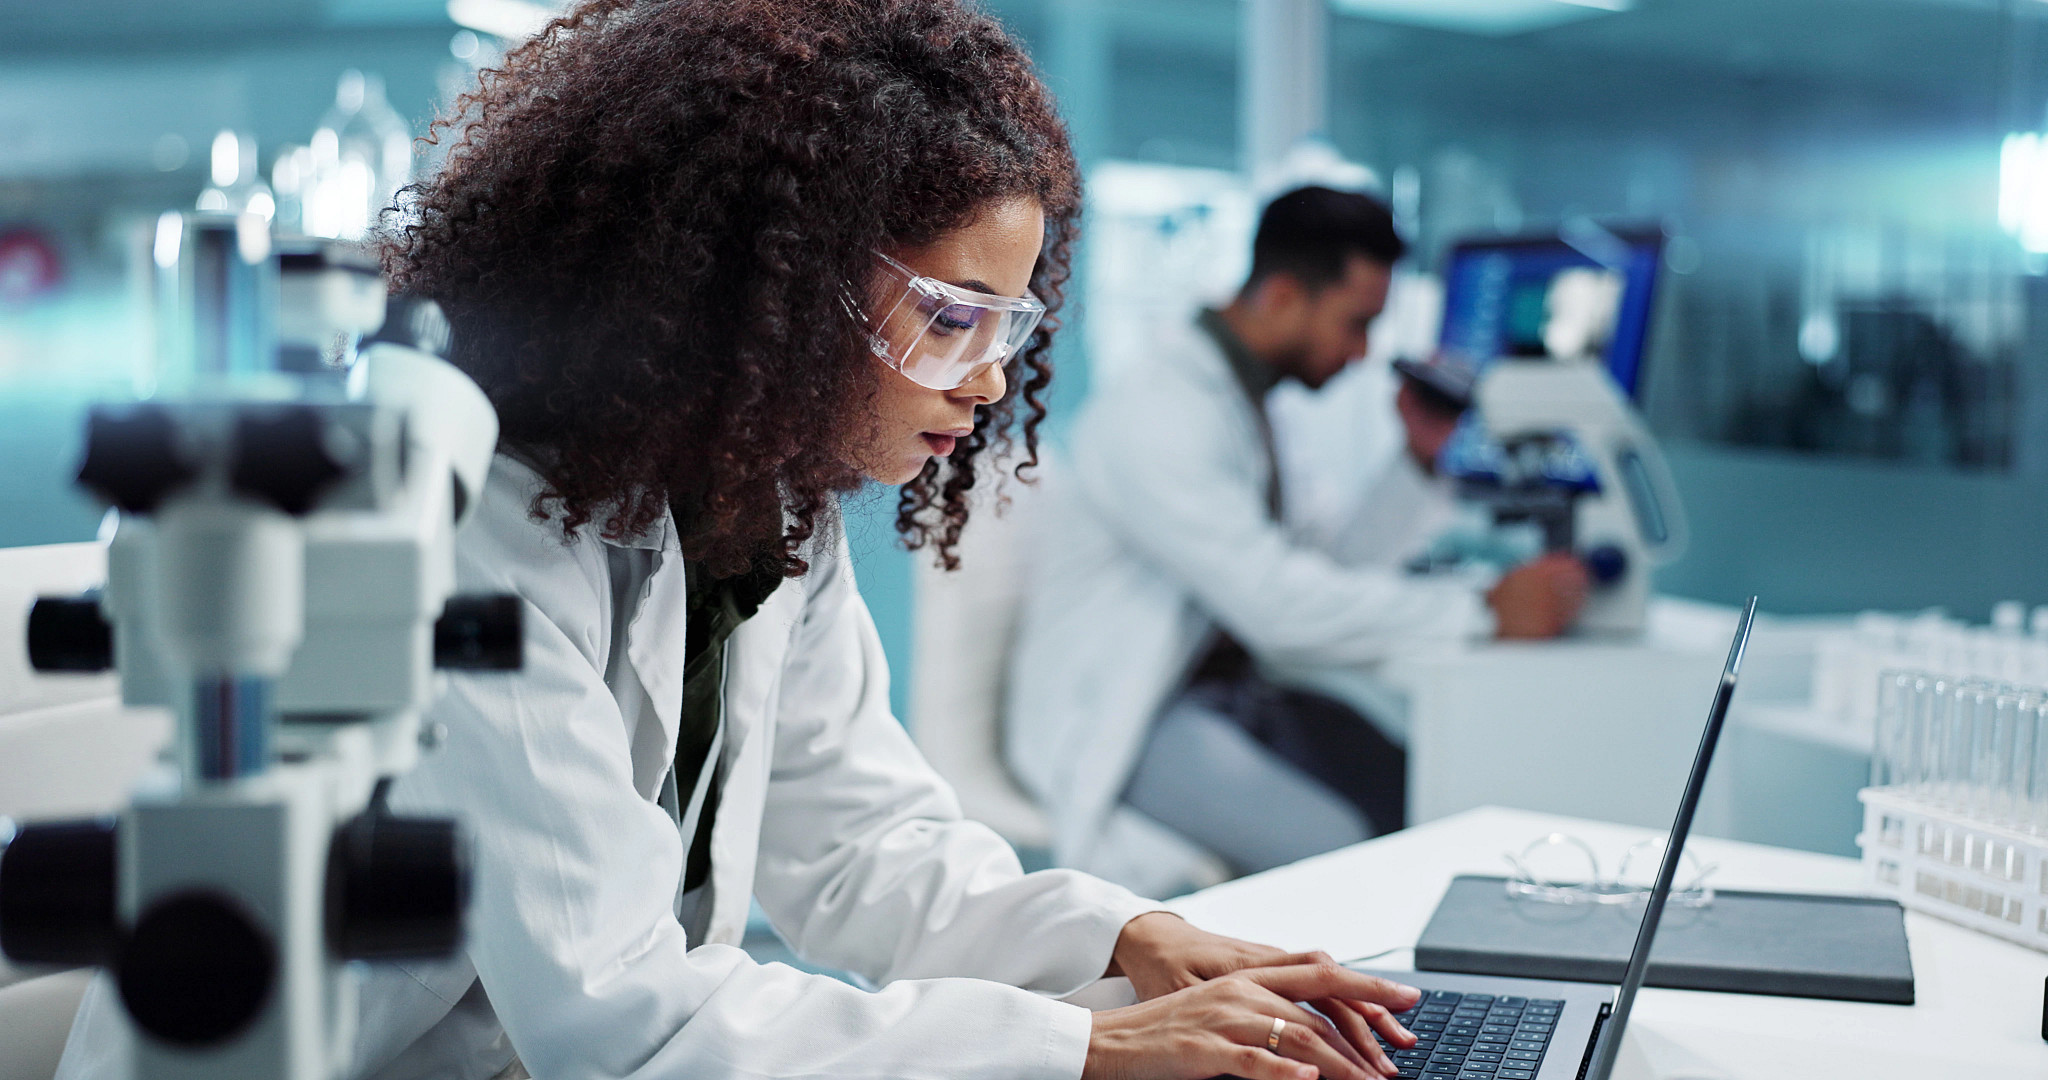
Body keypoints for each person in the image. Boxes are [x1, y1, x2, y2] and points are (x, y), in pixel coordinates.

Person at [45, 4, 1430, 1080]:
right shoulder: (456, 528)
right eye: (951, 319)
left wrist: (1125, 942)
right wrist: (1081, 1049)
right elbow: (624, 1023)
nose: (991, 379)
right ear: (754, 295)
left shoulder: (765, 511)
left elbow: (865, 848)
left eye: (1008, 327)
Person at [1005, 186, 1590, 896]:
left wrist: (1416, 460)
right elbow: (1279, 611)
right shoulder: (1158, 413)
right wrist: (1484, 614)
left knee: (1424, 798)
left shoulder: (1248, 401)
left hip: (1226, 695)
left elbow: (1317, 575)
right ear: (1282, 295)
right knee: (1347, 859)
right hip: (1130, 722)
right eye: (1355, 323)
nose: (1364, 351)